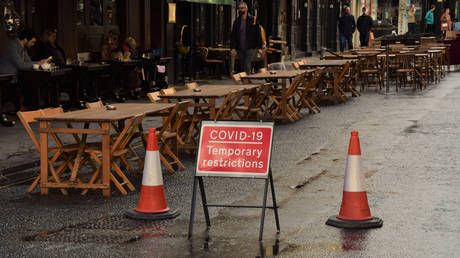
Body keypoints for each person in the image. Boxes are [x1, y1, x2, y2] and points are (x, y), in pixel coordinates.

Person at [230, 1, 263, 74]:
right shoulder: (237, 21)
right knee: (242, 65)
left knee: (247, 65)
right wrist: (232, 47)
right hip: (240, 47)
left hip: (250, 47)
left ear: (246, 9)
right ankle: (246, 80)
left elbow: (258, 34)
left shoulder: (253, 20)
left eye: (242, 8)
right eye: (239, 8)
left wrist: (260, 47)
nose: (240, 10)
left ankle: (247, 82)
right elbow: (233, 35)